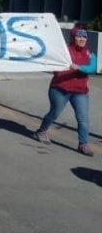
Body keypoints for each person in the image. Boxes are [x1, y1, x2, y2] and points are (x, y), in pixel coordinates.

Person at [34, 26, 98, 156]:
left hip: (80, 92)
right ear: (73, 37)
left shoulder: (89, 54)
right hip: (60, 89)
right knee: (54, 113)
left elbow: (92, 68)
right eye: (78, 36)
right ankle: (41, 131)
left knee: (83, 119)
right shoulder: (64, 51)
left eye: (84, 36)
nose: (81, 39)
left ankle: (83, 144)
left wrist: (77, 67)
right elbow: (54, 64)